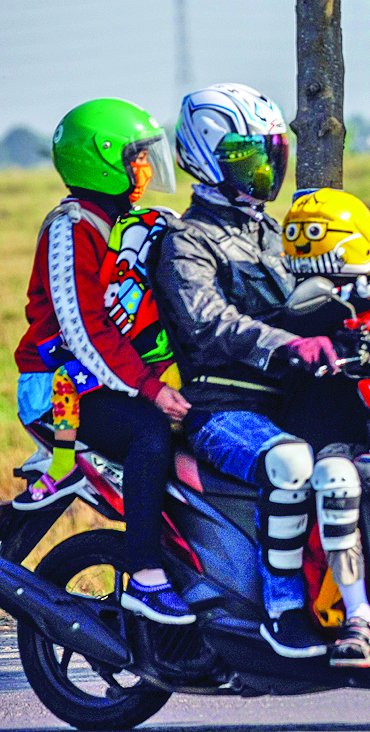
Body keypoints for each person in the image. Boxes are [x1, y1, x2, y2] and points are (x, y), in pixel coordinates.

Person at [153, 84, 370, 665]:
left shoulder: (272, 231)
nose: (263, 169)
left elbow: (320, 296)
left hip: (289, 404)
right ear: (206, 157)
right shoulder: (187, 242)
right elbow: (209, 322)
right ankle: (284, 611)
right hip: (224, 409)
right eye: (247, 158)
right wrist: (292, 346)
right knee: (292, 462)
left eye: (269, 155)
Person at [14, 98, 194, 624]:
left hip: (101, 382)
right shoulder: (71, 228)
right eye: (137, 156)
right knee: (148, 433)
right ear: (102, 160)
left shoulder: (129, 224)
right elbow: (83, 328)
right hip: (57, 389)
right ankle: (144, 577)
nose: (146, 167)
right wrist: (150, 389)